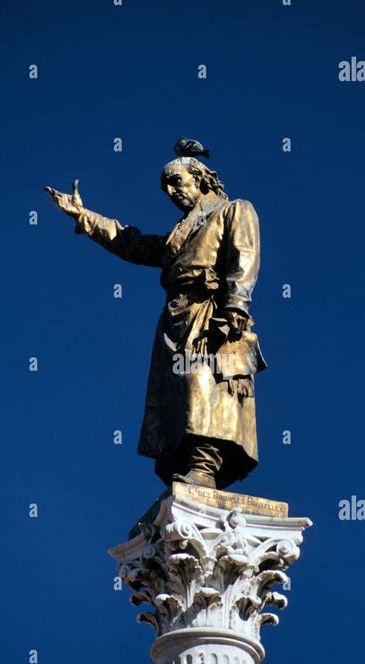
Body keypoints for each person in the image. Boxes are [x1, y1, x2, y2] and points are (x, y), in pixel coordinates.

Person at [45, 151, 266, 489]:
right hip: (176, 315)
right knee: (177, 395)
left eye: (177, 182)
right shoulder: (177, 235)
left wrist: (236, 305)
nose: (172, 192)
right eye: (166, 189)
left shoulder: (234, 209)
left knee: (204, 384)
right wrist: (84, 216)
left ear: (200, 178)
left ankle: (204, 465)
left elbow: (245, 256)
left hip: (210, 310)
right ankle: (188, 461)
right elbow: (131, 243)